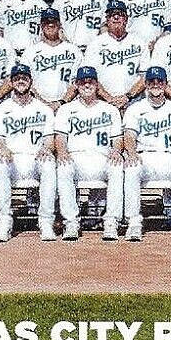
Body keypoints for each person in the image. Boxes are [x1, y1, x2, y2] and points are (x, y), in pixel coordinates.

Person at [51, 66, 125, 240]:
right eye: (82, 82)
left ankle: (111, 221)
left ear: (97, 85)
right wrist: (62, 152)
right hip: (76, 156)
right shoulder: (66, 109)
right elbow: (60, 138)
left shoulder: (110, 110)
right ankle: (71, 221)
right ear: (76, 85)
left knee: (117, 166)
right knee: (63, 167)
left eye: (90, 81)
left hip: (102, 157)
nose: (86, 85)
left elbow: (118, 138)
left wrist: (116, 150)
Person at [119, 66, 171, 242]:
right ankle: (134, 223)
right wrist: (131, 152)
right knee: (131, 168)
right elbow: (129, 135)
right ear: (145, 84)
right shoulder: (135, 109)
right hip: (145, 157)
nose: (156, 84)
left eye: (160, 81)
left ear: (166, 84)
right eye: (151, 81)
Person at [0, 64, 57, 242]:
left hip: (35, 157)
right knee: (0, 162)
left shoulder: (44, 109)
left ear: (30, 81)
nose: (21, 81)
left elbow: (49, 141)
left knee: (49, 163)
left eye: (24, 78)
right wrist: (2, 149)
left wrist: (46, 148)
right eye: (17, 78)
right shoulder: (1, 109)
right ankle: (4, 222)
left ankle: (46, 222)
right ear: (11, 82)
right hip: (13, 158)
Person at [84, 1, 148, 109]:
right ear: (107, 20)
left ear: (126, 19)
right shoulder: (95, 44)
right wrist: (109, 98)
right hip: (103, 102)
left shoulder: (139, 42)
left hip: (133, 102)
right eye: (112, 15)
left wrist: (128, 96)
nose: (116, 17)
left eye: (120, 14)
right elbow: (89, 78)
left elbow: (145, 76)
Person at [26, 8, 82, 108]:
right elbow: (26, 81)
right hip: (37, 105)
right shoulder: (30, 52)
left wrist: (61, 102)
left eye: (53, 22)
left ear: (60, 24)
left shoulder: (74, 50)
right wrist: (43, 103)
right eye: (46, 22)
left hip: (67, 104)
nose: (50, 25)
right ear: (41, 26)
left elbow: (78, 82)